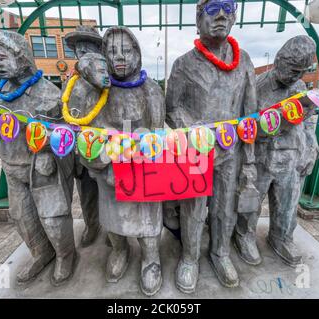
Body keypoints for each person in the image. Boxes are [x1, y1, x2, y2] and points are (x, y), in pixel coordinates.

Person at [165, 0, 258, 293]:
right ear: (198, 18)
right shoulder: (183, 64)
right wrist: (189, 129)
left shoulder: (243, 62)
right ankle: (189, 258)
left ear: (234, 17)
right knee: (192, 209)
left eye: (228, 7)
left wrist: (250, 160)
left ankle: (220, 253)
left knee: (225, 207)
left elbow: (251, 115)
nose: (221, 15)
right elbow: (172, 107)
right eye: (212, 8)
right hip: (195, 151)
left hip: (231, 152)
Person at [0, 30, 76, 285]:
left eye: (2, 56)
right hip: (11, 165)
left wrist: (48, 152)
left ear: (21, 57)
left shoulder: (48, 93)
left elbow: (65, 136)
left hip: (41, 167)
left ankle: (66, 255)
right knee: (22, 217)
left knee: (53, 218)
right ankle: (41, 253)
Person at [80, 26, 165, 296]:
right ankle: (120, 250)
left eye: (127, 50)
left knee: (147, 225)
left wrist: (144, 139)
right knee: (114, 221)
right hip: (110, 172)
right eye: (113, 50)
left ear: (137, 53)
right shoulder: (99, 90)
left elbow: (160, 132)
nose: (120, 57)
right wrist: (107, 147)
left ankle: (151, 259)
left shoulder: (150, 89)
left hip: (143, 172)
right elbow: (89, 130)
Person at [234, 35, 319, 267]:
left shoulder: (300, 87)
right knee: (251, 202)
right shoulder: (257, 86)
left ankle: (282, 237)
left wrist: (311, 146)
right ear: (279, 60)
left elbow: (309, 121)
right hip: (262, 155)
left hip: (290, 155)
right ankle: (244, 236)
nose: (296, 76)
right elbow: (244, 124)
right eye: (293, 70)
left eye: (302, 71)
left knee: (288, 203)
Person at [64, 26, 103, 247]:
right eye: (79, 48)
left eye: (89, 46)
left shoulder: (108, 81)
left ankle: (111, 230)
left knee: (109, 193)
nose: (83, 51)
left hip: (107, 148)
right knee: (86, 193)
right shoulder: (71, 82)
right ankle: (92, 225)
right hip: (80, 149)